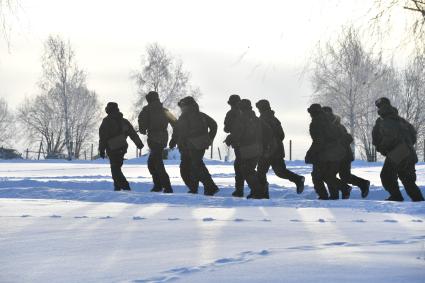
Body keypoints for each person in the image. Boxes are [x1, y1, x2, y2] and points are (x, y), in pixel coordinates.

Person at [372, 97, 424, 202]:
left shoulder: (384, 121)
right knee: (408, 180)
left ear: (380, 107)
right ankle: (419, 202)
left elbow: (388, 138)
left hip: (398, 152)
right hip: (410, 152)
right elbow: (413, 136)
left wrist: (382, 148)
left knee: (386, 175)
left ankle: (396, 196)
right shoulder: (402, 120)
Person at [169, 96, 219, 196]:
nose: (181, 108)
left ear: (186, 106)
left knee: (194, 167)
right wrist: (209, 139)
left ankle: (210, 187)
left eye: (182, 106)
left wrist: (173, 140)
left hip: (191, 146)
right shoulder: (200, 115)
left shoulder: (186, 116)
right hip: (192, 146)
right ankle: (196, 188)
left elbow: (178, 130)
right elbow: (214, 125)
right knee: (192, 167)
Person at [255, 99, 305, 197]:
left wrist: (265, 146)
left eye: (259, 108)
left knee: (261, 172)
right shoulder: (274, 119)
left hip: (267, 151)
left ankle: (263, 194)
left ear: (261, 108)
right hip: (277, 150)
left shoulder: (263, 119)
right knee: (280, 171)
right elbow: (282, 135)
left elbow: (262, 136)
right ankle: (298, 179)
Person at [322, 106, 370, 198]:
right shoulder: (337, 124)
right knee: (344, 176)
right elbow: (348, 138)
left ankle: (341, 191)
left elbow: (345, 139)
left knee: (329, 175)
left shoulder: (331, 126)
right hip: (344, 155)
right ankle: (360, 185)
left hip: (338, 156)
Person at [305, 103, 350, 200]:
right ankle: (336, 194)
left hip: (325, 153)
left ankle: (325, 195)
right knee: (328, 175)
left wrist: (310, 153)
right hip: (336, 153)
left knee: (317, 175)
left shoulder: (316, 123)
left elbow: (318, 141)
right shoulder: (328, 120)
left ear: (313, 113)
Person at [227, 99, 268, 199]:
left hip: (246, 149)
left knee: (247, 170)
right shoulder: (257, 119)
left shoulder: (241, 119)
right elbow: (268, 132)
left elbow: (238, 134)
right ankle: (246, 191)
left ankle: (258, 191)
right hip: (257, 149)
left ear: (241, 108)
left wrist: (230, 139)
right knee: (243, 168)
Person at [99, 102, 144, 191]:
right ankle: (117, 188)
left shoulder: (106, 121)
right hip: (122, 148)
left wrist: (101, 150)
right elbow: (132, 133)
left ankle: (126, 187)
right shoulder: (123, 121)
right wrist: (139, 143)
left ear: (108, 110)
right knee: (117, 168)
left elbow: (103, 137)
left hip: (112, 149)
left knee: (115, 170)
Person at [138, 91, 177, 193]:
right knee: (152, 163)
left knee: (157, 163)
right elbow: (176, 124)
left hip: (153, 139)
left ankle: (167, 187)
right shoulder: (165, 110)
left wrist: (143, 129)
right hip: (163, 138)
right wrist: (174, 138)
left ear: (149, 99)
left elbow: (142, 127)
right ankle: (158, 186)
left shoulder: (146, 110)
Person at [223, 94, 245, 197]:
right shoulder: (244, 112)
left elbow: (226, 128)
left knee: (239, 167)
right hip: (248, 143)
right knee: (244, 166)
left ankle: (240, 191)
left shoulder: (231, 113)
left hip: (238, 143)